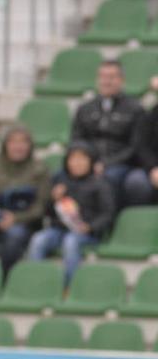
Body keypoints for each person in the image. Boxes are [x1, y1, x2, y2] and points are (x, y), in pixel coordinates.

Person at [27, 142, 115, 286]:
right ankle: (35, 284)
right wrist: (53, 198)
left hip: (86, 233)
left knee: (71, 242)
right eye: (73, 159)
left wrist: (90, 227)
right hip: (59, 230)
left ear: (91, 161)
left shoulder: (101, 184)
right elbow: (46, 212)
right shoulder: (59, 182)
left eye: (82, 159)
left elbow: (108, 214)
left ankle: (69, 286)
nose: (77, 163)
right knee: (38, 239)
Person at [0, 126, 51, 275]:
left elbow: (42, 206)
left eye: (23, 142)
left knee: (14, 236)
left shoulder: (40, 168)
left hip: (24, 221)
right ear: (5, 144)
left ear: (30, 145)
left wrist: (16, 218)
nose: (18, 147)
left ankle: (5, 280)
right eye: (13, 142)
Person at [70, 59, 145, 206]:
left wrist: (106, 164)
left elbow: (135, 147)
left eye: (112, 77)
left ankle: (105, 222)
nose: (107, 81)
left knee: (107, 178)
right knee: (59, 176)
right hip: (88, 163)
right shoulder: (85, 109)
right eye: (103, 77)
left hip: (120, 165)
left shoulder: (135, 109)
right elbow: (76, 141)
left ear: (121, 80)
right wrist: (86, 163)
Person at [126, 99, 158, 205]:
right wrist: (153, 168)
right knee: (136, 182)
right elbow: (142, 146)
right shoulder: (152, 115)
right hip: (152, 167)